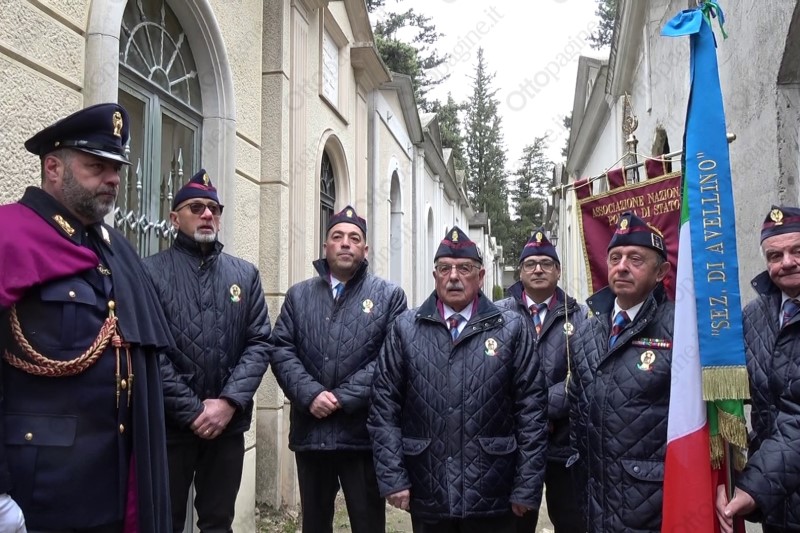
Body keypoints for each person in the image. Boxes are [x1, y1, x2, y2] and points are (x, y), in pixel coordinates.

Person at [0, 103, 172, 531]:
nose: (113, 179)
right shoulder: (9, 235)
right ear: (53, 168)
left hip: (112, 486)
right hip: (37, 493)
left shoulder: (114, 249)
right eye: (97, 166)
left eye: (116, 168)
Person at [368, 226, 548, 533]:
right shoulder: (405, 329)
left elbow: (532, 411)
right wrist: (393, 478)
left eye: (464, 268)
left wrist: (527, 485)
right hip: (427, 487)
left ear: (481, 277)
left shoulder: (512, 329)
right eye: (445, 269)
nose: (453, 276)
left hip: (493, 490)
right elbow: (383, 407)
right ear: (435, 276)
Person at [143, 170, 271, 533]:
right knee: (163, 521)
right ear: (174, 218)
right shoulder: (149, 273)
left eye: (214, 208)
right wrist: (193, 410)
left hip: (227, 427)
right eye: (196, 207)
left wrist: (227, 403)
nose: (207, 215)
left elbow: (260, 342)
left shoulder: (244, 275)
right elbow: (149, 349)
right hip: (170, 425)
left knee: (218, 522)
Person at [270, 205, 407, 533]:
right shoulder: (299, 296)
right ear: (326, 246)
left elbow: (392, 359)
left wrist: (341, 398)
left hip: (363, 436)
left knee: (368, 524)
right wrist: (310, 394)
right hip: (311, 433)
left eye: (354, 238)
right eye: (338, 236)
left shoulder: (389, 297)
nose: (346, 243)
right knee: (314, 525)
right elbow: (280, 349)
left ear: (365, 249)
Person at [567, 211, 673, 533]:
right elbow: (577, 408)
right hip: (593, 499)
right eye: (615, 258)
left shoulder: (679, 328)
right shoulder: (588, 330)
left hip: (651, 504)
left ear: (661, 272)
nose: (622, 266)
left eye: (635, 259)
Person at [495, 228, 586, 533]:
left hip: (564, 442)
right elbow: (491, 375)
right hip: (514, 443)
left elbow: (583, 377)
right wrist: (530, 416)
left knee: (571, 521)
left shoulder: (579, 316)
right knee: (515, 523)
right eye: (530, 264)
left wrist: (539, 409)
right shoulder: (497, 315)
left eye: (546, 263)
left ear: (558, 271)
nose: (538, 269)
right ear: (520, 272)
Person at [717, 206, 800, 533]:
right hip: (776, 504)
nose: (787, 262)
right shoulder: (754, 316)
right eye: (775, 255)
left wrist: (753, 486)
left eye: (797, 251)